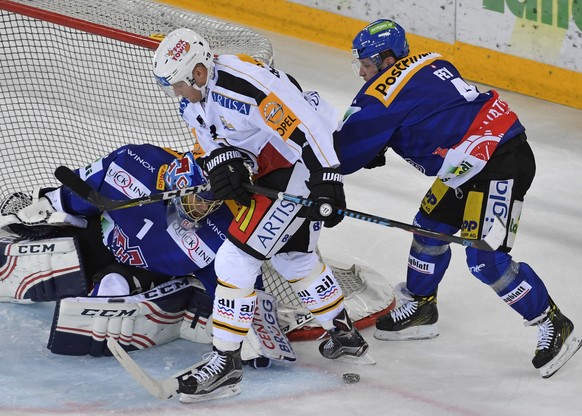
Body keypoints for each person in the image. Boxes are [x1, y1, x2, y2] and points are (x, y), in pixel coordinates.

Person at [334, 19, 581, 378]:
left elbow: (344, 150)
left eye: (367, 64)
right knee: (428, 228)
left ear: (388, 60)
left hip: (501, 164)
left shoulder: (380, 96)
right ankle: (422, 306)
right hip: (469, 165)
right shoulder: (432, 62)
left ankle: (552, 321)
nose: (361, 72)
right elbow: (431, 113)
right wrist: (385, 139)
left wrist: (343, 158)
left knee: (485, 260)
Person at [152, 28, 369, 402]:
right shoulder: (192, 99)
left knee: (235, 259)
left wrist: (327, 178)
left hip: (300, 167)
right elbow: (211, 137)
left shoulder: (247, 83)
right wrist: (224, 160)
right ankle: (343, 332)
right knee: (293, 257)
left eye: (177, 83)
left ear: (199, 72)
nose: (175, 91)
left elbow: (306, 124)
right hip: (273, 169)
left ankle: (226, 363)